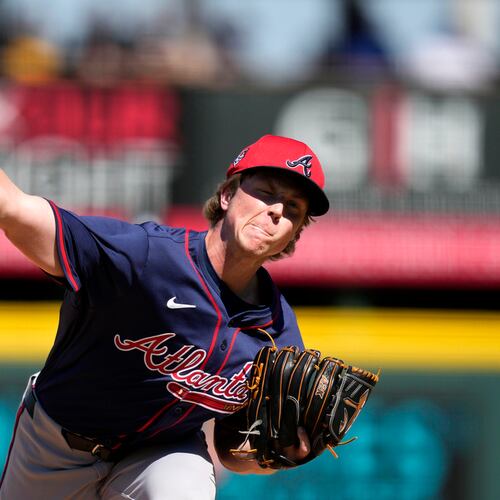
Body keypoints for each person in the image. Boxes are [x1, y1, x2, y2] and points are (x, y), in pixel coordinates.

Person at [0, 134, 330, 499]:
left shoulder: (278, 332)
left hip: (161, 455)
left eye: (293, 210)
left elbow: (231, 452)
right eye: (266, 192)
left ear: (293, 236)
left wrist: (279, 455)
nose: (277, 210)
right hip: (55, 446)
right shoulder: (146, 257)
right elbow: (13, 208)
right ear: (226, 196)